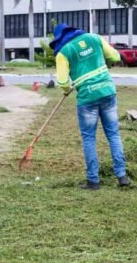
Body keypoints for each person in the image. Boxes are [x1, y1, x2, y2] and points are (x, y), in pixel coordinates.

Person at [50, 23, 130, 190]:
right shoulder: (94, 37)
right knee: (113, 134)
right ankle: (122, 176)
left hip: (87, 97)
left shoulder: (63, 52)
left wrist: (67, 89)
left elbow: (63, 81)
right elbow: (115, 57)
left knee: (89, 138)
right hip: (108, 91)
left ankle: (93, 180)